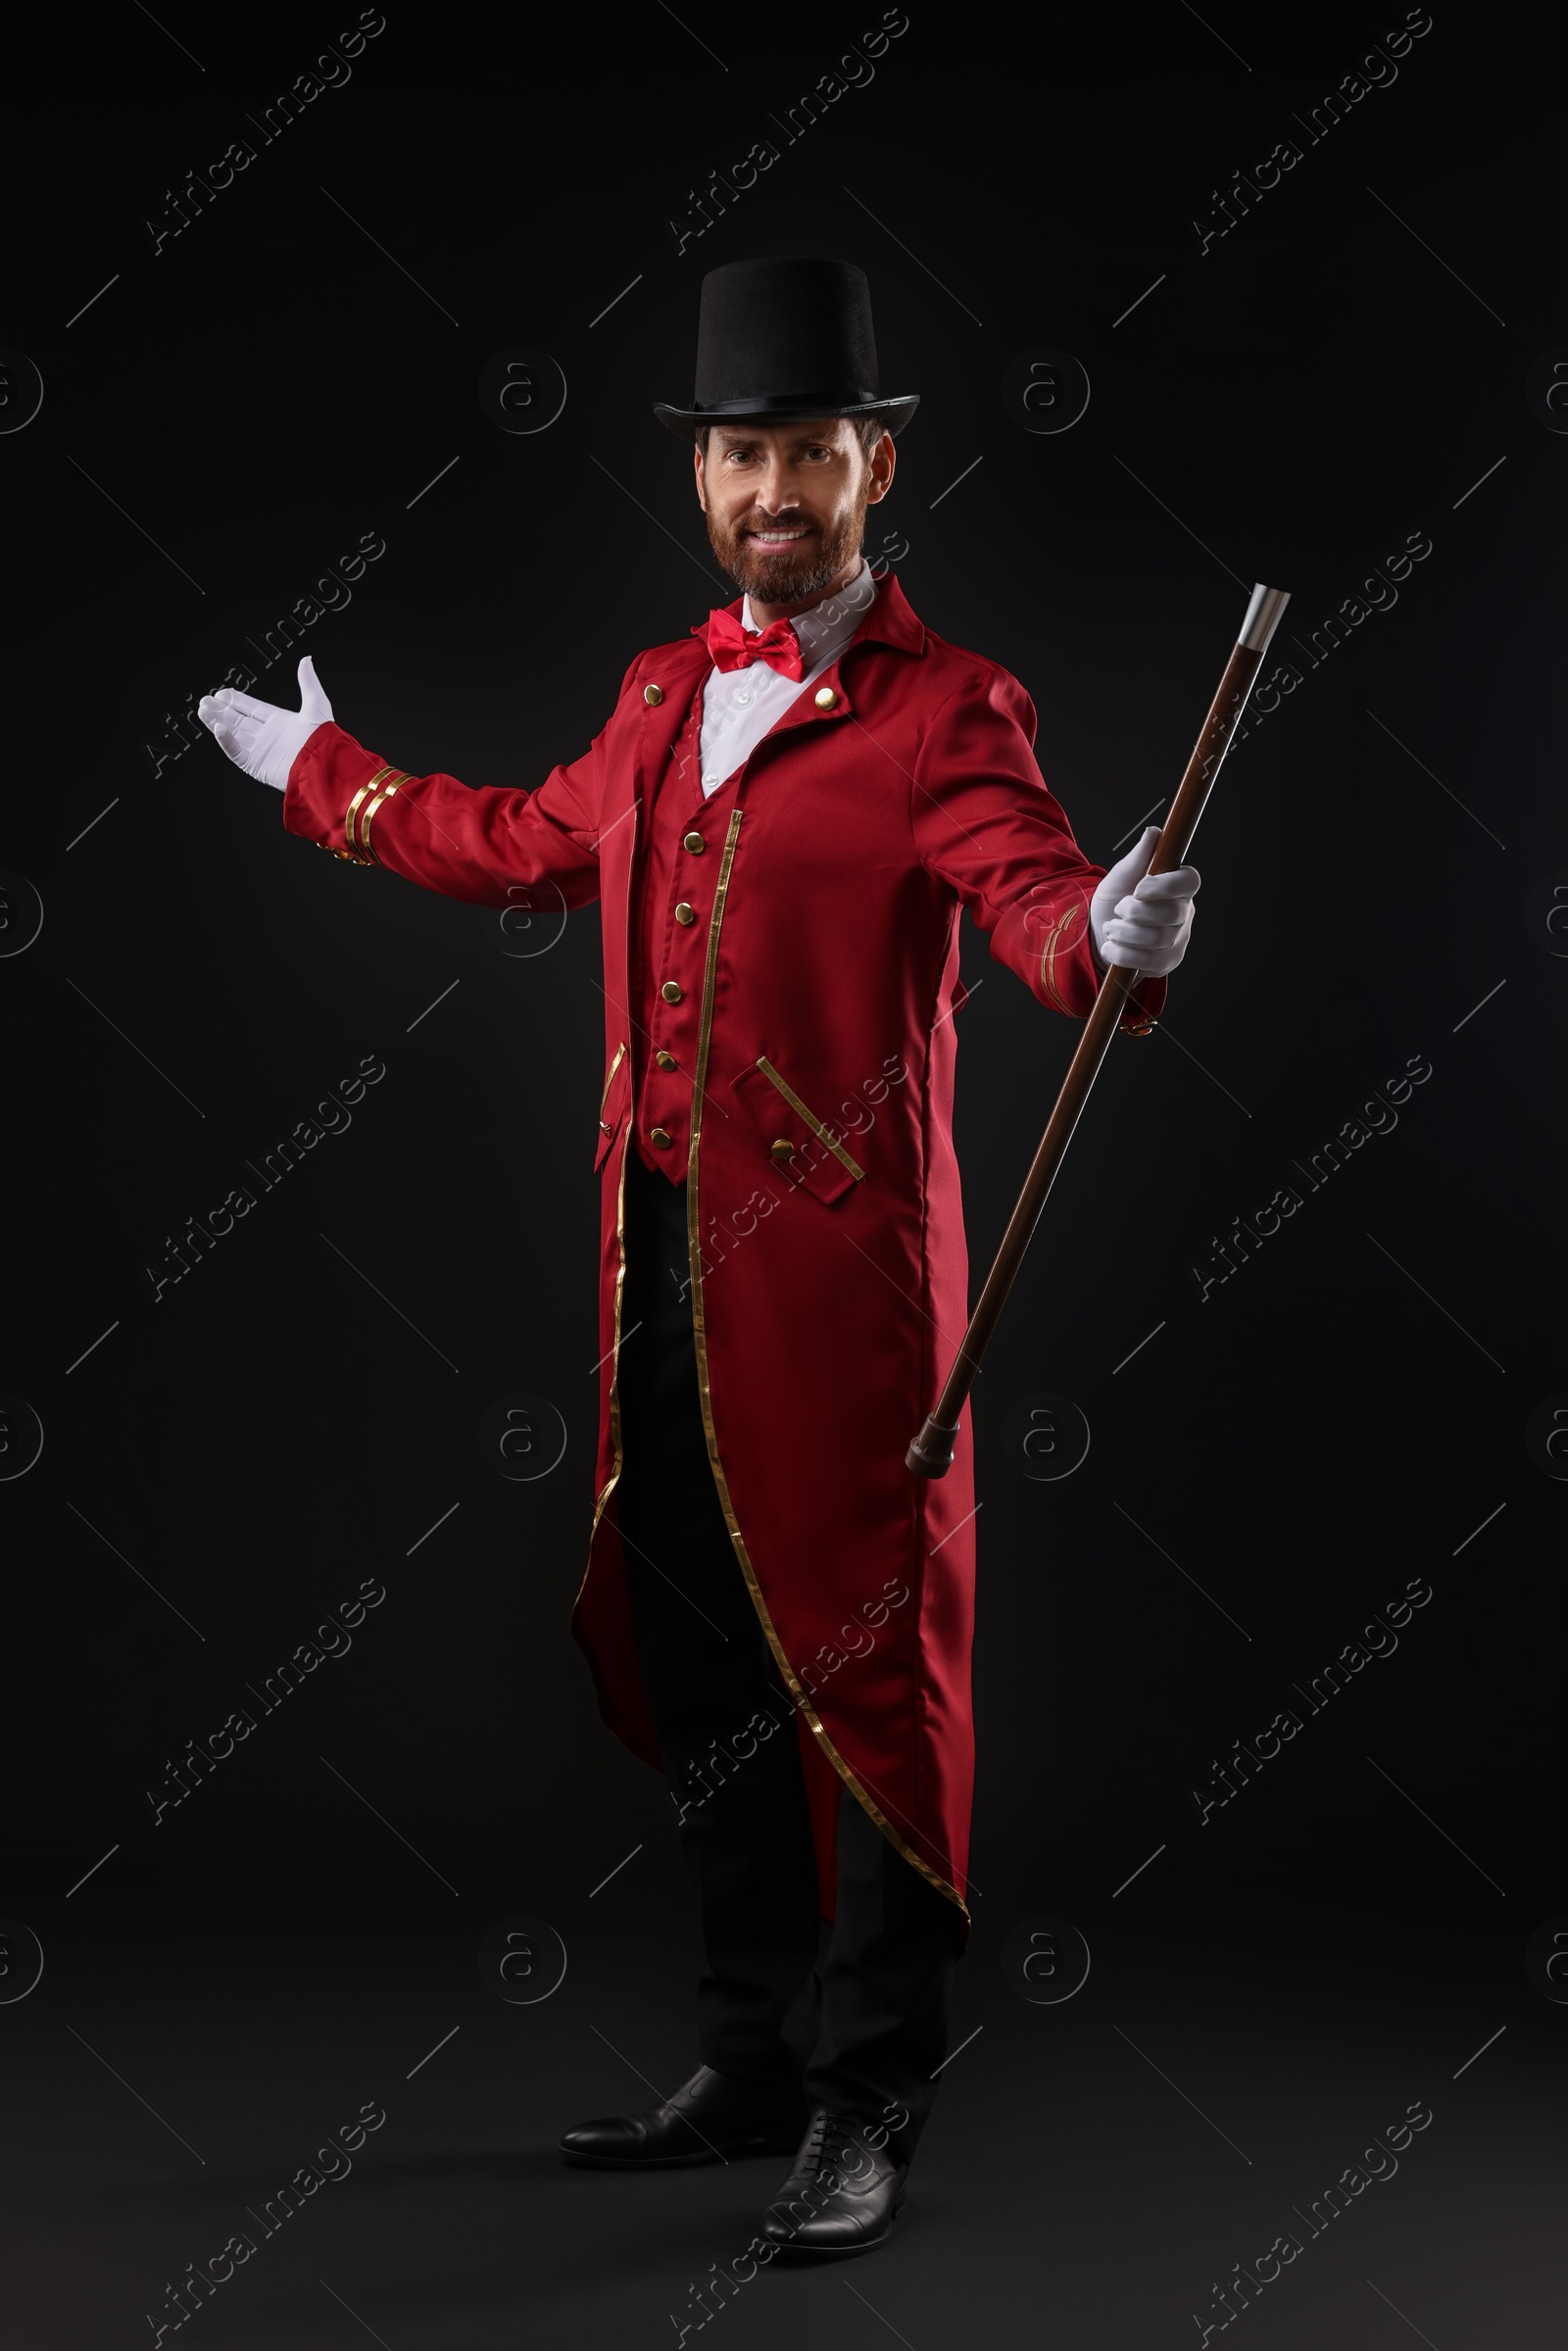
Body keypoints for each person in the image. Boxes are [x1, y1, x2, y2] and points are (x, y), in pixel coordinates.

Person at [200, 255, 1200, 2259]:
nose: (768, 486)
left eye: (804, 452)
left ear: (870, 468)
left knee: (877, 1675)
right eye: (739, 450)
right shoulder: (661, 693)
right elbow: (517, 841)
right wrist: (320, 778)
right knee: (709, 1655)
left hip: (845, 1300)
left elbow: (1027, 911)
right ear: (708, 474)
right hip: (652, 1270)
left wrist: (1107, 933)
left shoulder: (947, 709)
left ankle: (867, 2092)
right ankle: (749, 2056)